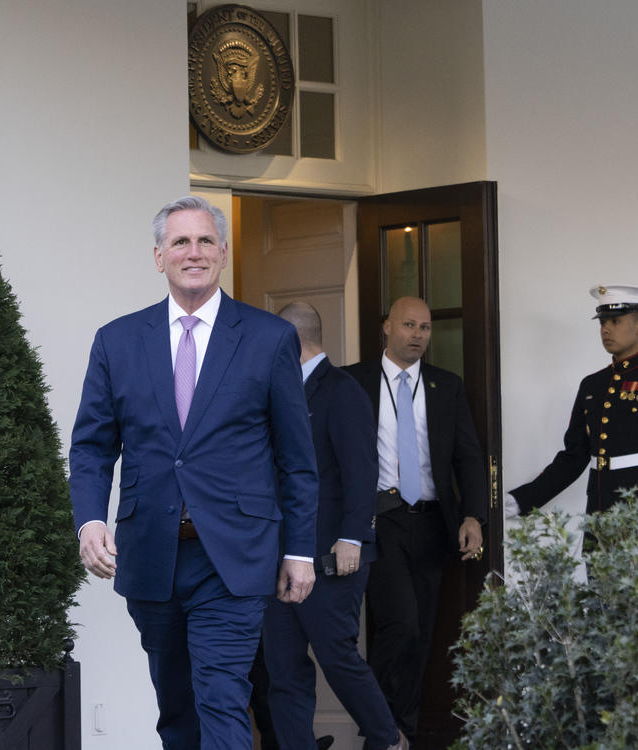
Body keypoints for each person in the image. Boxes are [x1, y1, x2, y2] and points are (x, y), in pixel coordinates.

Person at [69, 196, 319, 750]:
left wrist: (299, 550)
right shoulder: (118, 340)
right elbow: (91, 447)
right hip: (152, 552)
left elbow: (296, 459)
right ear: (159, 256)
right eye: (180, 242)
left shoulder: (267, 338)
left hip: (233, 555)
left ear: (224, 253)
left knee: (221, 698)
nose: (194, 252)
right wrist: (89, 521)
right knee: (176, 709)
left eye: (206, 241)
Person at [342, 296, 487, 745]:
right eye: (408, 325)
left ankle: (399, 730)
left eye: (425, 327)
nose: (418, 335)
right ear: (386, 327)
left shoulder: (447, 386)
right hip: (378, 521)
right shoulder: (351, 382)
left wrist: (474, 515)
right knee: (399, 624)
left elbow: (468, 456)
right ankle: (383, 730)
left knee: (420, 634)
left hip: (430, 524)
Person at [264, 302, 409, 750]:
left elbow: (362, 471)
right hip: (279, 554)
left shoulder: (341, 390)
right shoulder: (277, 393)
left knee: (337, 656)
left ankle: (387, 740)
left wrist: (353, 537)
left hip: (332, 554)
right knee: (283, 668)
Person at [507, 285, 638, 517]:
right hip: (600, 511)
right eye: (602, 322)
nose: (605, 329)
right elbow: (574, 458)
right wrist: (520, 500)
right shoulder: (593, 385)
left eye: (615, 321)